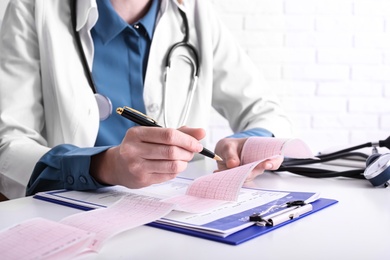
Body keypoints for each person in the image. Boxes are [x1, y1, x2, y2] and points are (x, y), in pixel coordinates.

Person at [0, 0, 292, 200]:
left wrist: (248, 143)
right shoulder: (34, 8)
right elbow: (7, 143)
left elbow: (266, 112)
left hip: (175, 213)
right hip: (71, 215)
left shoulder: (194, 13)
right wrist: (103, 166)